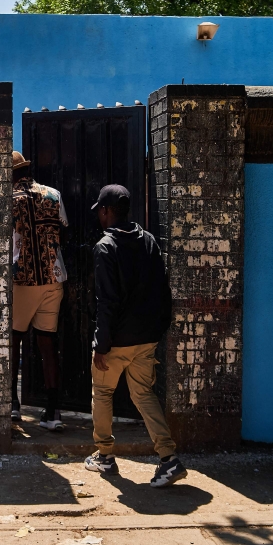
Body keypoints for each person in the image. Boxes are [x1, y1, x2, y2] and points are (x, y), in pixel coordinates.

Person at [83, 184, 188, 488]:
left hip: (116, 340)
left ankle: (104, 455)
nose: (99, 217)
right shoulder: (150, 241)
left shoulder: (105, 247)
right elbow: (162, 289)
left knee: (102, 393)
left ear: (106, 211)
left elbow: (107, 301)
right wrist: (159, 327)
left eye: (100, 212)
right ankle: (168, 458)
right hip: (145, 337)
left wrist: (101, 345)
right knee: (143, 395)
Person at [10, 150, 68, 431]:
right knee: (48, 345)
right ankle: (53, 412)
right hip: (54, 277)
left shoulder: (9, 200)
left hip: (24, 279)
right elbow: (63, 232)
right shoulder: (53, 194)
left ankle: (11, 404)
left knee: (14, 340)